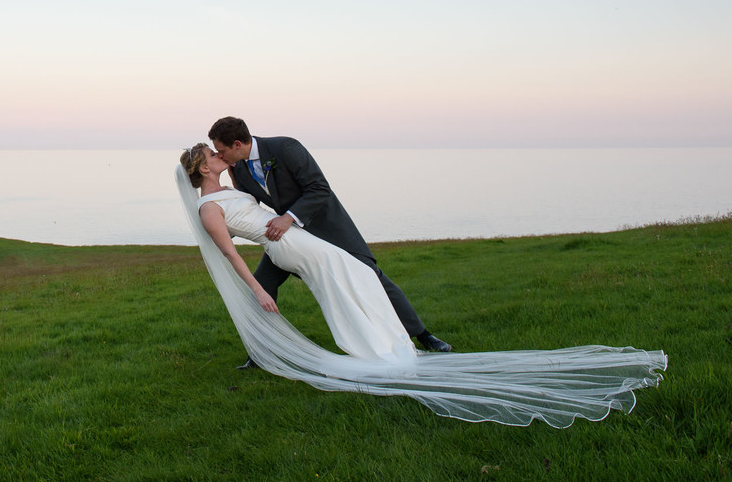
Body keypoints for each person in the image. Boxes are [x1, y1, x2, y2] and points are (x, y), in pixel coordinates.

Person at [175, 144, 668, 427]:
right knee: (350, 285)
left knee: (361, 279)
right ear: (201, 168)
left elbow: (279, 196)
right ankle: (374, 351)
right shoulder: (209, 206)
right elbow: (230, 250)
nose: (220, 156)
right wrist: (259, 291)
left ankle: (396, 342)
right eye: (210, 155)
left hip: (297, 236)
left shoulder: (233, 183)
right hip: (287, 246)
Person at [208, 116, 451, 356]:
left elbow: (319, 188)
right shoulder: (238, 169)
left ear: (237, 145)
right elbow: (251, 205)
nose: (219, 156)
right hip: (290, 240)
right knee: (261, 286)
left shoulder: (285, 148)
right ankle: (262, 352)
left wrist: (288, 217)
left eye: (221, 150)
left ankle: (422, 335)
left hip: (328, 227)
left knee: (370, 275)